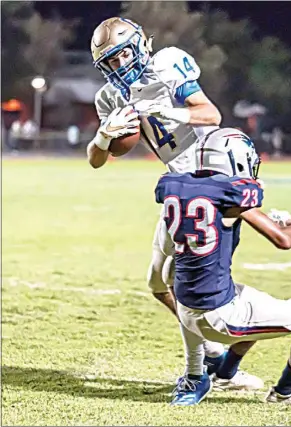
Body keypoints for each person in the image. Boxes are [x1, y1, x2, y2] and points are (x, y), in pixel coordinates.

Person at [86, 17, 262, 390]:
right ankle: (218, 358)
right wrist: (103, 137)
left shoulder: (166, 63)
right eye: (110, 63)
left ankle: (210, 366)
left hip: (209, 176)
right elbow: (97, 159)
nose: (118, 68)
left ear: (140, 46)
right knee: (159, 281)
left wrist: (171, 111)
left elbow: (211, 114)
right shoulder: (109, 97)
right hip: (178, 186)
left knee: (179, 282)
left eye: (122, 57)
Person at [155, 127, 291, 405]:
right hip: (217, 315)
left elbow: (167, 249)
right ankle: (286, 392)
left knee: (255, 301)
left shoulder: (175, 188)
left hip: (185, 305)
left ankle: (217, 375)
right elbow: (284, 240)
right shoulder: (230, 196)